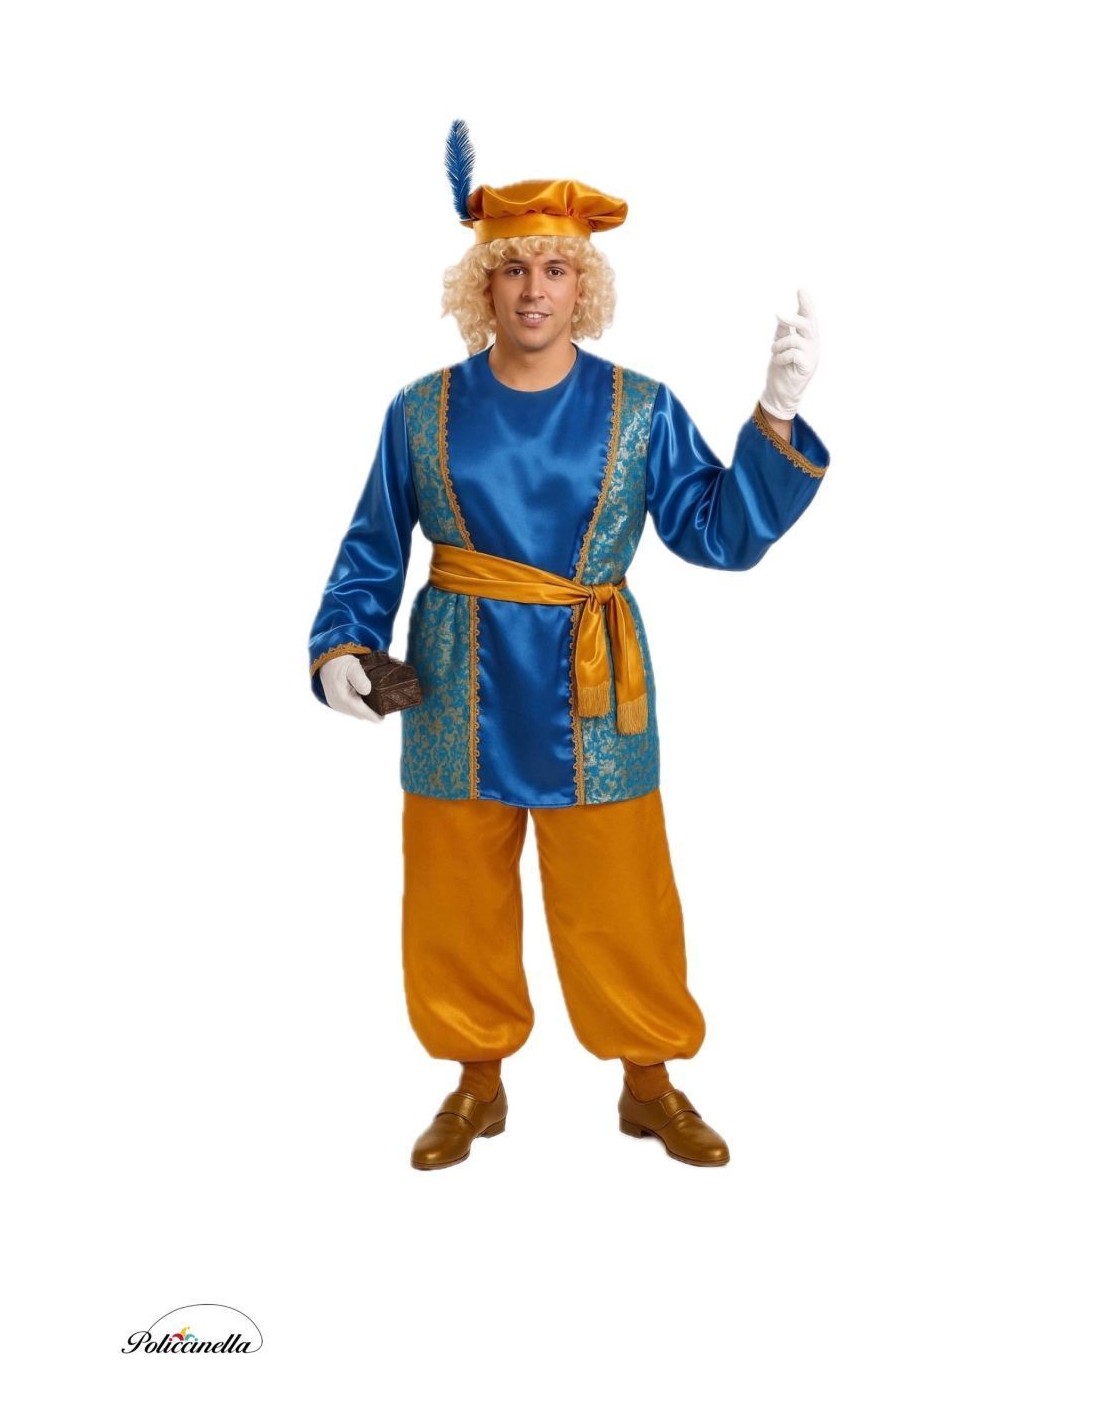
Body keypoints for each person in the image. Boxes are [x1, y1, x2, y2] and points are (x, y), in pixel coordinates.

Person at [308, 123, 829, 1170]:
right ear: (482, 286)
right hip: (453, 682)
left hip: (597, 682)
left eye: (554, 269)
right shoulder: (421, 411)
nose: (534, 290)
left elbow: (718, 534)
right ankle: (476, 1082)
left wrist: (773, 420)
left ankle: (649, 1081)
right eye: (513, 270)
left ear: (583, 285)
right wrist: (342, 651)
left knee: (620, 891)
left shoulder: (638, 408)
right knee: (454, 888)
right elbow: (372, 546)